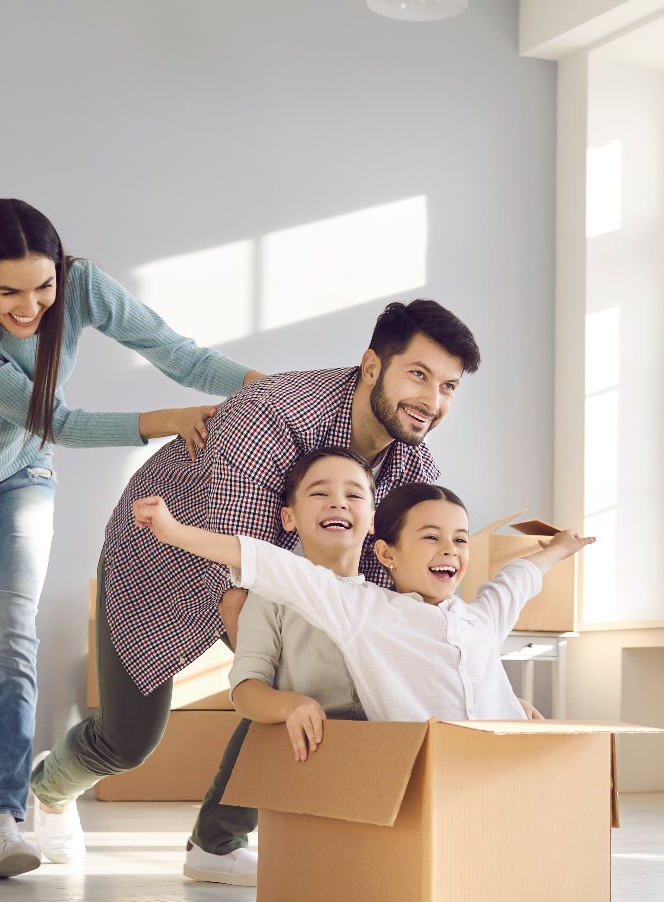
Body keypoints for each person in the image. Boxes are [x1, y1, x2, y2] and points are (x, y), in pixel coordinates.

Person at [0, 197, 262, 879]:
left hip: (20, 474)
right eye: (10, 293)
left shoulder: (82, 289)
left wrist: (265, 388)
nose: (32, 307)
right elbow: (56, 419)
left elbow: (173, 350)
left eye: (44, 286)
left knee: (12, 640)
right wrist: (164, 420)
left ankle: (4, 821)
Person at [27, 300, 484, 866]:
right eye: (418, 375)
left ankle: (215, 844)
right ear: (372, 366)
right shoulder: (269, 414)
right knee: (128, 740)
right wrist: (287, 689)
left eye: (448, 387)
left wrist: (487, 694)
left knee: (314, 675)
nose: (431, 402)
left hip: (273, 577)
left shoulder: (413, 471)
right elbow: (240, 582)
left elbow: (406, 603)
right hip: (163, 556)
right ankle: (47, 787)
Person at [127, 483, 593, 726]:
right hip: (433, 773)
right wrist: (174, 532)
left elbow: (517, 579)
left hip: (509, 762)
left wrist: (560, 548)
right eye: (430, 538)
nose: (449, 550)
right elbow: (273, 565)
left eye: (459, 540)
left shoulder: (478, 619)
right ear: (387, 553)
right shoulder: (364, 612)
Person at [182, 447, 376, 886]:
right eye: (320, 493)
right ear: (289, 519)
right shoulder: (271, 594)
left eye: (353, 495)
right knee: (263, 722)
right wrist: (288, 705)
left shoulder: (387, 599)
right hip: (295, 730)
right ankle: (215, 842)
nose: (338, 503)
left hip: (365, 741)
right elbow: (246, 690)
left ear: (373, 519)